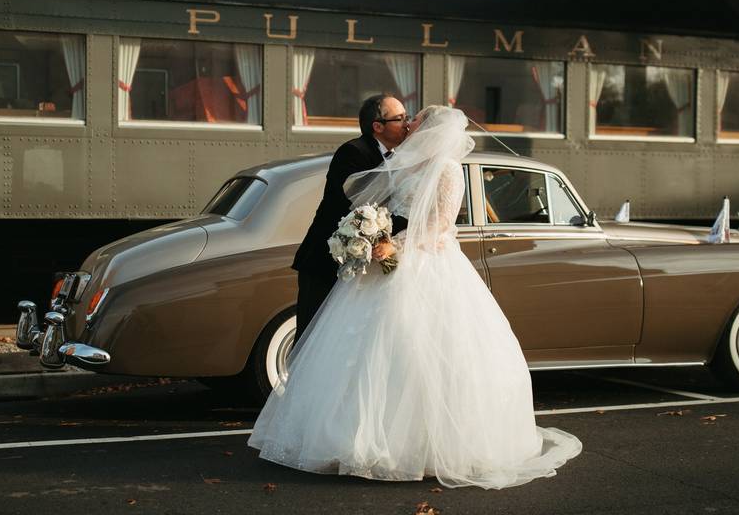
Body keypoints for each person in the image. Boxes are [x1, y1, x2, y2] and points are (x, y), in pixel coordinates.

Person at [249, 105, 582, 490]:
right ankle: (348, 439)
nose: (409, 125)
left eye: (416, 120)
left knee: (422, 351)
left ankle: (421, 447)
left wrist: (393, 246)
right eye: (406, 120)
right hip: (390, 258)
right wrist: (372, 233)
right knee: (370, 351)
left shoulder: (447, 169)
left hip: (427, 263)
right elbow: (381, 208)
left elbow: (440, 224)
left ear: (433, 130)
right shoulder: (407, 164)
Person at [290, 94, 409, 338]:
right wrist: (409, 221)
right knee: (313, 339)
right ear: (378, 126)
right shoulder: (353, 152)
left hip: (366, 262)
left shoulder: (400, 158)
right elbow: (357, 209)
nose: (406, 123)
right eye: (401, 118)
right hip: (327, 262)